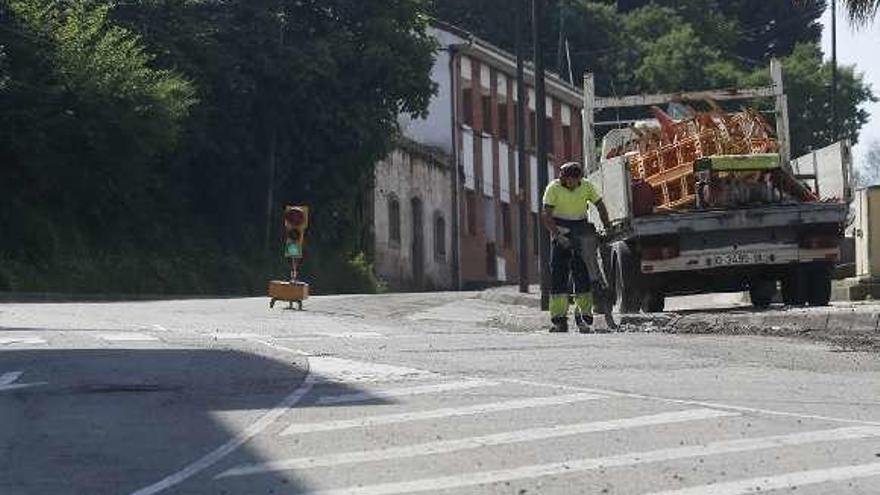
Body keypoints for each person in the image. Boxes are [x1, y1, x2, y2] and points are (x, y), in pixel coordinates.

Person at [541, 162, 612, 333]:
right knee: (559, 275)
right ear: (563, 178)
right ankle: (559, 320)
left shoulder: (586, 186)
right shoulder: (554, 188)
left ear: (579, 178)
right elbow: (546, 215)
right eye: (568, 180)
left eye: (575, 180)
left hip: (580, 232)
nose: (572, 183)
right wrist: (558, 236)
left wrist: (607, 226)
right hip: (561, 232)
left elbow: (600, 206)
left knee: (582, 275)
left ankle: (585, 317)